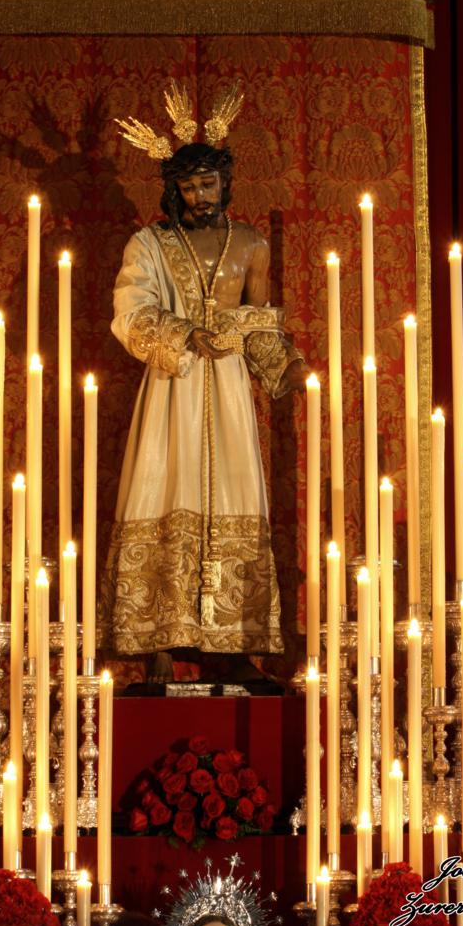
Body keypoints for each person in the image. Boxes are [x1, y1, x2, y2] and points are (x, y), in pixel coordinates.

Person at [98, 84, 306, 673]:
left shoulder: (251, 244)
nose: (199, 197)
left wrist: (283, 364)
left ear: (225, 183)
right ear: (174, 190)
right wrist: (186, 335)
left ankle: (232, 641)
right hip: (175, 384)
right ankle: (161, 640)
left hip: (231, 386)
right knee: (167, 488)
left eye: (208, 184)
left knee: (235, 493)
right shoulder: (150, 244)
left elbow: (258, 320)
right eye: (188, 187)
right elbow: (130, 309)